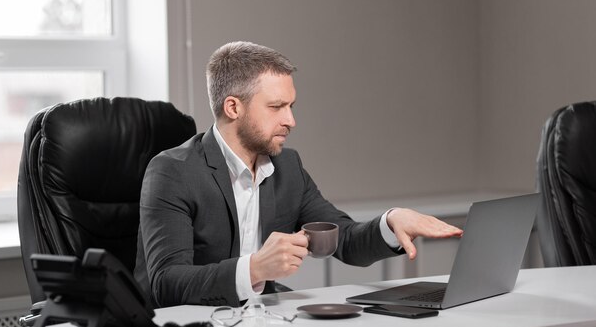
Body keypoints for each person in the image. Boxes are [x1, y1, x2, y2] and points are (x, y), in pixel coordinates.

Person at [134, 41, 462, 308]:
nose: (291, 121)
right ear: (234, 108)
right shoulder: (172, 171)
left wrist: (391, 223)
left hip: (264, 324)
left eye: (291, 106)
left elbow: (343, 238)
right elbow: (167, 282)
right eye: (276, 107)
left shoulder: (287, 167)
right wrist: (256, 268)